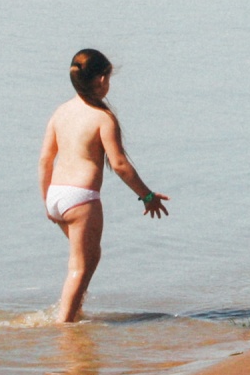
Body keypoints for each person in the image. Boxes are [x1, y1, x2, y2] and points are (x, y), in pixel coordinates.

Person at [39, 49, 168, 323]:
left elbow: (45, 161)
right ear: (100, 80)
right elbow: (120, 164)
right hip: (80, 198)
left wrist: (47, 203)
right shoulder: (102, 118)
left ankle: (75, 311)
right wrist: (146, 196)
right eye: (108, 78)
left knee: (90, 256)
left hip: (56, 196)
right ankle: (65, 326)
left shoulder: (60, 113)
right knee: (80, 266)